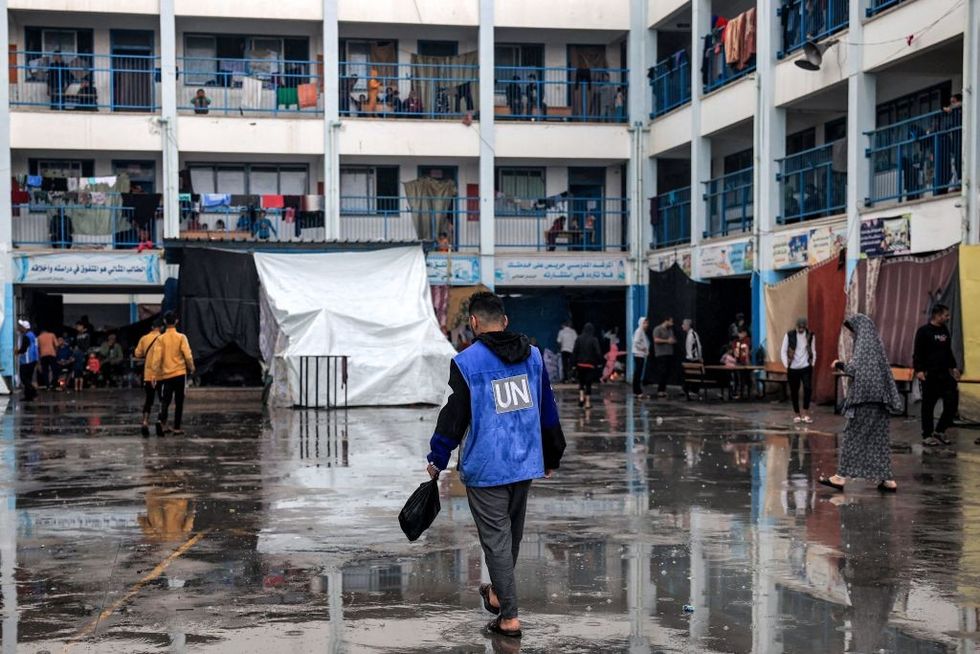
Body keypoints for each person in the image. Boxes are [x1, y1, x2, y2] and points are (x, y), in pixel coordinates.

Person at [424, 292, 565, 639]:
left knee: (498, 543)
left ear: (473, 323)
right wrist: (552, 454)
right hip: (524, 461)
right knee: (509, 538)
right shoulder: (533, 357)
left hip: (487, 466)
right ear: (504, 321)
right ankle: (500, 594)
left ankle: (510, 618)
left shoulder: (466, 362)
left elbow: (453, 415)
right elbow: (547, 408)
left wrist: (438, 456)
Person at [820, 314, 902, 493]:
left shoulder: (863, 345)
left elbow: (856, 370)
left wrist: (839, 364)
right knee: (878, 439)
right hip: (880, 399)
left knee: (852, 435)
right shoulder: (876, 344)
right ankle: (887, 480)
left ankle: (840, 477)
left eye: (852, 330)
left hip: (865, 399)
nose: (851, 334)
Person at [913, 303, 960, 447]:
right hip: (929, 375)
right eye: (946, 315)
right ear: (938, 315)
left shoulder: (944, 330)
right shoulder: (924, 331)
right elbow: (918, 353)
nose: (948, 317)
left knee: (952, 401)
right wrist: (919, 370)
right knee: (928, 405)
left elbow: (948, 351)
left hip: (944, 374)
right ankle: (927, 435)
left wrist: (953, 367)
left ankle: (940, 430)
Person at [148, 311, 196, 436]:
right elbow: (188, 355)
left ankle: (162, 422)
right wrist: (191, 367)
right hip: (180, 374)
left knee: (165, 401)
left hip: (166, 375)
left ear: (164, 322)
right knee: (179, 401)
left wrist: (153, 375)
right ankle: (177, 427)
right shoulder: (181, 337)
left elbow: (156, 358)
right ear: (176, 321)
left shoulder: (160, 339)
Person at [781, 317, 816, 424]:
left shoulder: (810, 335)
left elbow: (813, 350)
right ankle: (797, 414)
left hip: (806, 366)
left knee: (807, 388)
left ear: (805, 326)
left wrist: (812, 363)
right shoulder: (789, 335)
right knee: (794, 391)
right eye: (799, 327)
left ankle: (805, 412)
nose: (801, 329)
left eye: (803, 327)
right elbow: (783, 350)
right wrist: (786, 364)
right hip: (793, 368)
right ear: (796, 326)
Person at [134, 320, 165, 437]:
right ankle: (160, 422)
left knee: (149, 400)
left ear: (152, 327)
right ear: (161, 327)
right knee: (163, 400)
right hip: (161, 375)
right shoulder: (163, 339)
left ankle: (145, 421)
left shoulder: (144, 338)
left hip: (148, 375)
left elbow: (137, 354)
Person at [572, 323, 603, 409]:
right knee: (588, 384)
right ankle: (588, 403)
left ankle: (581, 398)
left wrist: (573, 364)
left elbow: (575, 351)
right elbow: (598, 352)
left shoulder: (579, 339)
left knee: (581, 382)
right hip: (590, 365)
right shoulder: (594, 340)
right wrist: (599, 363)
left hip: (580, 364)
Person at [652, 317, 676, 399]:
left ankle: (663, 389)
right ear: (666, 321)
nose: (672, 324)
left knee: (667, 372)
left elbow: (672, 339)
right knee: (662, 371)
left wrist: (673, 340)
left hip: (669, 353)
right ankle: (660, 390)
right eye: (671, 322)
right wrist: (667, 341)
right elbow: (656, 340)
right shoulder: (657, 329)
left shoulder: (670, 330)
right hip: (661, 354)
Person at [16, 320, 39, 402]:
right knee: (28, 379)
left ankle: (33, 391)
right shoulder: (33, 335)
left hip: (26, 360)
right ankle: (28, 396)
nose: (19, 328)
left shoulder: (26, 336)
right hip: (33, 360)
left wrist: (17, 352)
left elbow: (23, 349)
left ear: (24, 328)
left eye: (20, 326)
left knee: (23, 378)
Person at [631, 316, 650, 398]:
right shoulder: (639, 331)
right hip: (639, 354)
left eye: (647, 323)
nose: (646, 325)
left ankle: (638, 390)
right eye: (645, 323)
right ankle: (637, 390)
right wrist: (644, 348)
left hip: (641, 355)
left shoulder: (642, 332)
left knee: (638, 373)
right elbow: (636, 342)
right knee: (637, 373)